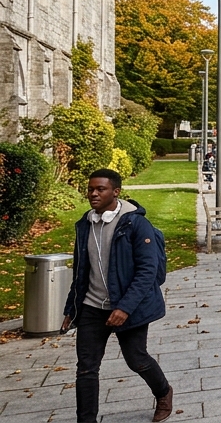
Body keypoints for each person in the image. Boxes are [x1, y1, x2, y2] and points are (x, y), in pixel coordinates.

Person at [62, 168, 174, 423]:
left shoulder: (135, 223)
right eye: (90, 188)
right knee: (86, 369)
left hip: (128, 306)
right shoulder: (85, 224)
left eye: (100, 189)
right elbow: (81, 270)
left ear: (116, 191)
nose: (93, 193)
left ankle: (163, 391)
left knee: (136, 359)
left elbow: (148, 271)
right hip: (92, 305)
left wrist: (124, 308)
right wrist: (71, 308)